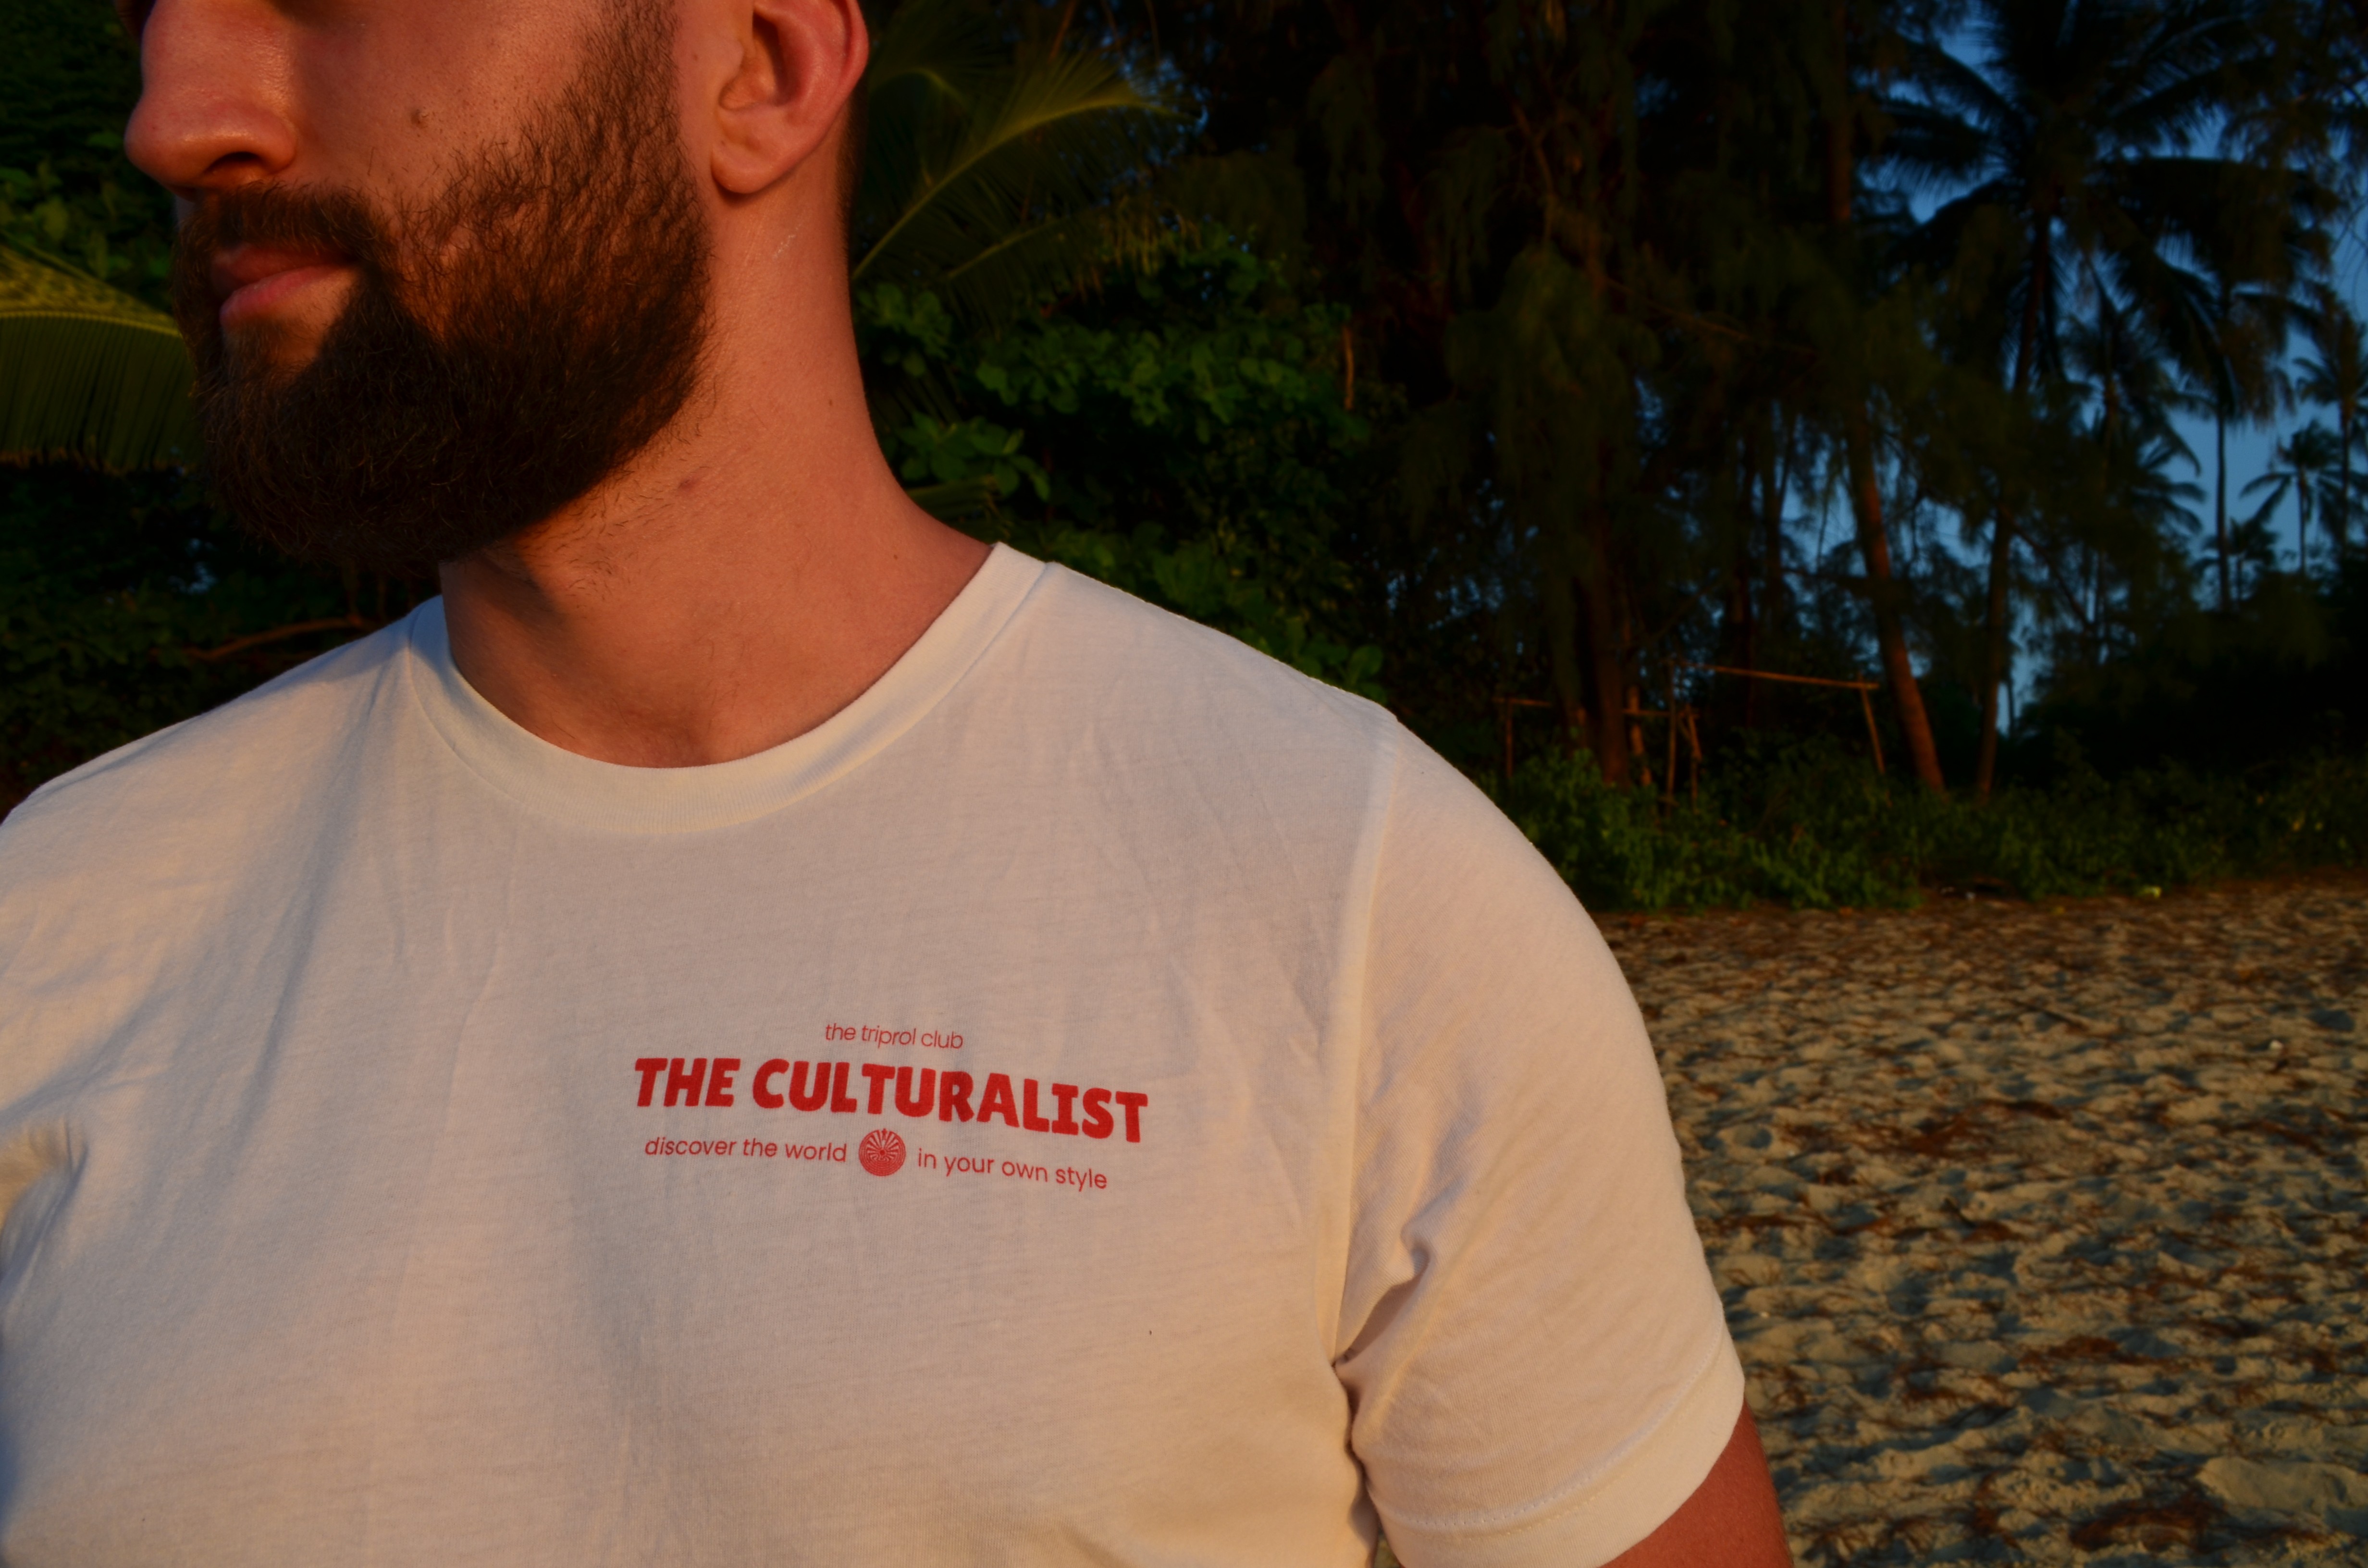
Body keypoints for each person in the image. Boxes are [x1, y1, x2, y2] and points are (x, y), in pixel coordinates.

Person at [0, 0, 1792, 1560]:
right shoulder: (55, 916)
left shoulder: (1351, 893)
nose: (171, 113)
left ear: (761, 68)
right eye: (147, 9)